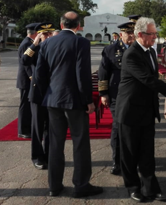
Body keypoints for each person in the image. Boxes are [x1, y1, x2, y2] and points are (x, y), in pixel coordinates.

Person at [115, 17, 166, 202]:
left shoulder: (149, 51)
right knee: (130, 153)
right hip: (130, 111)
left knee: (147, 153)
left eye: (156, 34)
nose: (156, 37)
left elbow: (154, 77)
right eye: (152, 34)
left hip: (146, 110)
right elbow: (147, 80)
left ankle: (151, 189)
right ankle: (133, 187)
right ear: (140, 35)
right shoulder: (132, 54)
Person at [33, 11, 103, 198]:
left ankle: (54, 186)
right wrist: (88, 100)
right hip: (74, 101)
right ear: (78, 26)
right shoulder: (80, 42)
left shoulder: (47, 42)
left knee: (55, 144)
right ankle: (81, 185)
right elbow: (82, 74)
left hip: (53, 100)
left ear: (61, 24)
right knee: (80, 143)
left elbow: (39, 74)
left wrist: (48, 93)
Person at [98, 21, 136, 176]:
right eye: (128, 33)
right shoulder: (110, 50)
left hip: (135, 95)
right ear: (121, 34)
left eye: (133, 33)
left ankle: (134, 159)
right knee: (118, 127)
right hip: (116, 95)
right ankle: (117, 161)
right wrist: (103, 93)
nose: (131, 36)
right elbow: (103, 73)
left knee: (134, 128)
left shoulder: (140, 49)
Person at [22, 22, 55, 170]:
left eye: (50, 34)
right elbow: (25, 61)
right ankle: (37, 157)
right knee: (37, 128)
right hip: (38, 93)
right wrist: (35, 44)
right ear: (39, 35)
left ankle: (49, 155)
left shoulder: (55, 47)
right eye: (44, 34)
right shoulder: (35, 49)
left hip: (53, 93)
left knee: (51, 127)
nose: (47, 37)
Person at [16, 23, 38, 139]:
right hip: (26, 79)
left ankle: (27, 127)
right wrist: (31, 76)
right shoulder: (26, 44)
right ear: (35, 33)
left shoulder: (28, 42)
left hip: (28, 78)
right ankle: (22, 130)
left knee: (27, 104)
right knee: (24, 105)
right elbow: (26, 64)